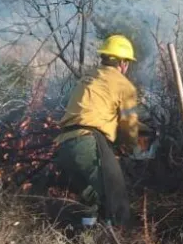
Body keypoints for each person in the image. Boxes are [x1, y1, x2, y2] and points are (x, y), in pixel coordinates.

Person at [53, 34, 150, 229]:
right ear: (123, 62)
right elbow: (128, 126)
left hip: (64, 145)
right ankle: (120, 241)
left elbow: (94, 112)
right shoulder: (124, 86)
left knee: (91, 199)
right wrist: (132, 149)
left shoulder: (88, 77)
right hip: (88, 143)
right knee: (116, 199)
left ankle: (86, 237)